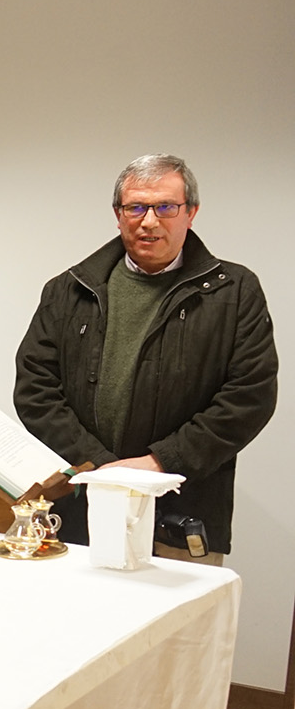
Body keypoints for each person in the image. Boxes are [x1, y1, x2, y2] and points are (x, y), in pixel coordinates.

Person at [14, 154, 276, 562]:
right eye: (136, 207)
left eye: (165, 207)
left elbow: (249, 398)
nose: (149, 221)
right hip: (81, 509)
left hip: (180, 514)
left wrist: (159, 463)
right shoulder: (68, 290)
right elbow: (36, 389)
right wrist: (102, 468)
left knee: (178, 608)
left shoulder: (235, 291)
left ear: (191, 213)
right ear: (118, 215)